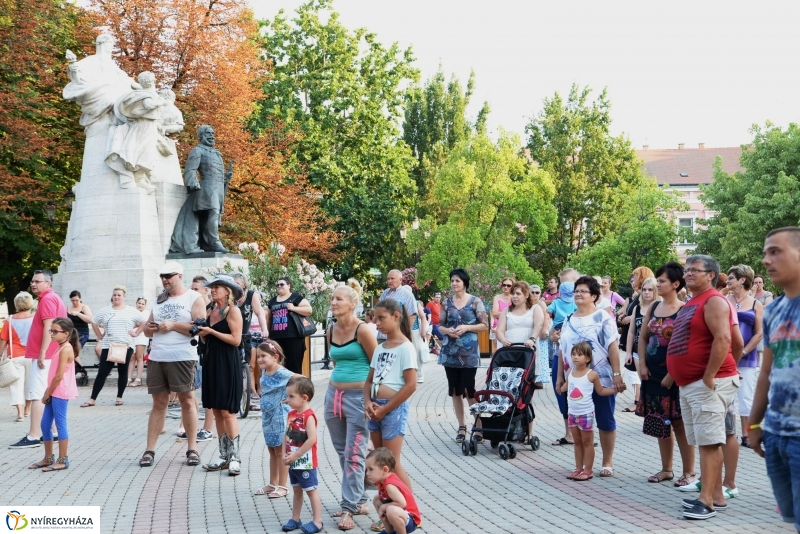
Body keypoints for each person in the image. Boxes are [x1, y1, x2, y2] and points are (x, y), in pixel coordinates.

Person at [666, 255, 740, 520]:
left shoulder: (713, 301)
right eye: (686, 270)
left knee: (710, 441)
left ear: (710, 275)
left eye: (694, 270)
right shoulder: (691, 303)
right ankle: (716, 495)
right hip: (691, 383)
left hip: (707, 383)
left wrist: (711, 375)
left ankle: (706, 502)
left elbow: (726, 340)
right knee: (705, 441)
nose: (687, 274)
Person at [749, 227, 800, 533]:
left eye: (775, 251)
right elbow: (766, 372)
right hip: (777, 435)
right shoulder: (774, 310)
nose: (766, 260)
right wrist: (754, 425)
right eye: (766, 252)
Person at [556, 276, 625, 477]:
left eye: (583, 291)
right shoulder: (569, 319)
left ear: (594, 295)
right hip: (575, 379)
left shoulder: (603, 318)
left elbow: (613, 346)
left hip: (601, 376)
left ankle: (607, 462)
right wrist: (560, 375)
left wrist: (617, 374)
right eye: (576, 290)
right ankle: (583, 466)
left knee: (605, 419)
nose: (578, 294)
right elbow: (562, 349)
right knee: (579, 421)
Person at [139, 261, 206, 468]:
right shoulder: (159, 300)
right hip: (158, 356)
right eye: (162, 276)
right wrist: (149, 328)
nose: (165, 280)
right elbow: (147, 331)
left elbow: (200, 327)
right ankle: (149, 450)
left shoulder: (194, 297)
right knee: (159, 404)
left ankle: (192, 448)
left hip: (183, 356)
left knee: (187, 401)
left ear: (180, 276)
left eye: (169, 276)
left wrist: (174, 325)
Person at [325, 280, 378, 530]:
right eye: (332, 298)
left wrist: (370, 399)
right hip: (333, 397)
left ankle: (349, 507)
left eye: (339, 299)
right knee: (342, 452)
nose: (333, 302)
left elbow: (377, 366)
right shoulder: (330, 329)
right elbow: (336, 363)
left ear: (353, 304)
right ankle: (361, 498)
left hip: (358, 399)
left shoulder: (364, 330)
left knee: (353, 453)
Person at [637, 263, 695, 487]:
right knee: (660, 421)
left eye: (661, 281)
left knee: (679, 423)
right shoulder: (652, 307)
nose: (657, 284)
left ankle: (689, 472)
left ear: (676, 284)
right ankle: (666, 469)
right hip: (652, 374)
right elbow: (643, 338)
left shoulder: (685, 309)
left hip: (675, 376)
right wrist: (642, 363)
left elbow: (686, 346)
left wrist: (673, 373)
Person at [9, 269, 67, 450]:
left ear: (48, 283)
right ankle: (55, 432)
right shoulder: (52, 298)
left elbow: (49, 327)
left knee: (37, 394)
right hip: (50, 353)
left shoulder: (48, 299)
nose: (33, 284)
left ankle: (33, 435)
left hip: (45, 355)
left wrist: (42, 352)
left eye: (38, 281)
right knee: (47, 394)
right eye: (33, 281)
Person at [364, 299, 417, 487]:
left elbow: (411, 385)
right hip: (376, 408)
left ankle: (409, 508)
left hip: (392, 409)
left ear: (396, 317)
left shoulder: (406, 347)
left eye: (381, 318)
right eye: (375, 318)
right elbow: (369, 380)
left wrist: (386, 408)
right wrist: (368, 402)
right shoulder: (380, 348)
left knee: (391, 463)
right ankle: (387, 504)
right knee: (379, 463)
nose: (376, 323)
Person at [197, 275, 244, 476]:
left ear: (228, 291)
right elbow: (207, 339)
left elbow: (236, 340)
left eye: (217, 287)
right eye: (212, 287)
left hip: (227, 362)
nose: (213, 290)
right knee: (216, 410)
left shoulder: (232, 311)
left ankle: (235, 457)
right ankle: (223, 455)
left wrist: (211, 332)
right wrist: (203, 334)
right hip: (211, 362)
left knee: (227, 411)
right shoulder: (210, 310)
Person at [439, 269, 489, 445]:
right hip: (450, 352)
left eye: (457, 281)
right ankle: (461, 426)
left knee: (469, 389)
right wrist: (448, 331)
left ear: (465, 283)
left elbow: (484, 325)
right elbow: (440, 326)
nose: (454, 283)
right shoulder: (446, 303)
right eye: (452, 280)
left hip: (469, 353)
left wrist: (467, 328)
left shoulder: (475, 301)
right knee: (454, 390)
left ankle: (479, 425)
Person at [561, 341, 623, 481]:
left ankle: (588, 470)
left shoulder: (592, 374)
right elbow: (566, 387)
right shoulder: (570, 372)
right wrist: (560, 387)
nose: (575, 357)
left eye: (579, 355)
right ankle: (578, 468)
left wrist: (615, 389)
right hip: (572, 413)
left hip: (585, 414)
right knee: (577, 442)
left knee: (587, 442)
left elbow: (600, 391)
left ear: (588, 358)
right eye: (573, 354)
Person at [168, 124, 231, 254]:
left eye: (213, 134)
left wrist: (226, 177)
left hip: (218, 188)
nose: (212, 136)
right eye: (208, 133)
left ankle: (208, 243)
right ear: (201, 135)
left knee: (213, 215)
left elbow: (216, 172)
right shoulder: (198, 150)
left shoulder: (216, 153)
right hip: (206, 188)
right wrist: (192, 182)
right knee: (213, 213)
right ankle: (215, 242)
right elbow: (190, 169)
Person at [27, 318, 79, 472]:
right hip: (53, 390)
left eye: (55, 331)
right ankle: (48, 457)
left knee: (60, 423)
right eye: (51, 330)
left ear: (66, 334)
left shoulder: (67, 349)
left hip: (60, 391)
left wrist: (48, 392)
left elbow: (59, 376)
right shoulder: (59, 346)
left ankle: (63, 459)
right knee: (44, 424)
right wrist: (47, 391)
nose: (52, 334)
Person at [80, 286, 143, 407]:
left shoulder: (131, 311)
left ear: (124, 297)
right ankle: (92, 399)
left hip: (126, 345)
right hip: (108, 345)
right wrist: (99, 335)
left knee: (123, 371)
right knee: (102, 372)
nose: (116, 297)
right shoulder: (105, 310)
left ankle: (119, 397)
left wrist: (136, 333)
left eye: (119, 295)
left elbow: (145, 321)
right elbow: (93, 322)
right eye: (114, 295)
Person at [496, 281, 544, 436]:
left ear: (526, 295)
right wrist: (503, 340)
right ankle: (507, 428)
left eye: (518, 293)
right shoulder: (506, 311)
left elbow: (538, 325)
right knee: (508, 392)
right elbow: (500, 330)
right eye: (513, 293)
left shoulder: (535, 309)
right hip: (509, 354)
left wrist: (532, 338)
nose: (514, 296)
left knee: (525, 394)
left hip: (527, 353)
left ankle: (529, 432)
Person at [726, 265, 763, 448]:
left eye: (731, 277)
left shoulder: (756, 304)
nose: (728, 280)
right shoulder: (725, 300)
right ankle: (728, 431)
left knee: (745, 396)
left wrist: (744, 351)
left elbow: (759, 333)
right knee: (727, 396)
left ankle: (746, 435)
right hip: (725, 356)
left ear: (742, 280)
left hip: (747, 357)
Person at [254, 341, 298, 499]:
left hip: (280, 415)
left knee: (280, 451)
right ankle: (272, 483)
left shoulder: (281, 372)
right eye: (258, 356)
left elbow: (302, 379)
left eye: (263, 356)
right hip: (268, 415)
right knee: (272, 450)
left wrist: (292, 397)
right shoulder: (265, 371)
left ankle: (283, 486)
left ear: (275, 357)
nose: (259, 359)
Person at [281, 377, 323, 534]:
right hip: (293, 461)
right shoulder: (291, 414)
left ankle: (317, 521)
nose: (288, 399)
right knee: (297, 490)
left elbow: (312, 439)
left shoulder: (309, 416)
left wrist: (297, 454)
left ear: (304, 397)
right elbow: (287, 435)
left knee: (311, 490)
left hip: (306, 462)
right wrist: (285, 455)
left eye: (291, 396)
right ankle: (295, 518)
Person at [231, 273, 268, 411]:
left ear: (244, 285)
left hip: (245, 336)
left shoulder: (251, 295)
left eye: (238, 283)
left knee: (247, 367)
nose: (235, 286)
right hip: (230, 335)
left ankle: (246, 400)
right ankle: (233, 399)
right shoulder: (229, 296)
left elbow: (259, 313)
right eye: (233, 283)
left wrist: (264, 330)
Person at [365, 447, 422, 534]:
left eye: (371, 469)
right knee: (377, 499)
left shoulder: (390, 485)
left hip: (410, 520)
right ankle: (389, 531)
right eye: (367, 469)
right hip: (401, 515)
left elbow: (402, 503)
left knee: (391, 510)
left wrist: (384, 507)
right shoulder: (382, 480)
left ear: (385, 470)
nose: (367, 473)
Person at [623, 277, 660, 412]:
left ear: (656, 291)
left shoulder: (660, 307)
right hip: (638, 352)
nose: (646, 293)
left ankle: (657, 410)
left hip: (656, 352)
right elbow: (631, 332)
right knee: (644, 382)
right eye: (644, 290)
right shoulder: (637, 308)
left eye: (650, 290)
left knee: (656, 382)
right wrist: (628, 352)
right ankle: (648, 411)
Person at [547, 281, 577, 446]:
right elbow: (552, 336)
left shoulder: (557, 303)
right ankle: (569, 434)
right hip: (561, 355)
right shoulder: (571, 305)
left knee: (576, 395)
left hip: (576, 359)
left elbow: (547, 310)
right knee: (562, 393)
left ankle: (579, 433)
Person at [266, 277, 314, 375]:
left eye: (282, 284)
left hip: (294, 338)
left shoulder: (295, 297)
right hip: (276, 339)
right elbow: (267, 315)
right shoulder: (273, 300)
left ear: (288, 286)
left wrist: (293, 308)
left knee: (294, 367)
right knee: (279, 367)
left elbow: (309, 310)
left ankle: (296, 389)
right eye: (277, 285)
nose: (279, 286)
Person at [0, 292, 35, 421]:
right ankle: (28, 409)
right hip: (32, 355)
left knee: (16, 385)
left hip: (15, 356)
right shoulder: (35, 319)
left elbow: (3, 340)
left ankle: (20, 413)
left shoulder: (10, 320)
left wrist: (0, 354)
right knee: (30, 384)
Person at [377, 270, 417, 343]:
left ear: (400, 280)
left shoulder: (407, 294)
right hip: (382, 336)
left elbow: (412, 316)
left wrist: (404, 335)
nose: (389, 281)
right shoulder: (385, 293)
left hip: (397, 337)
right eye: (388, 279)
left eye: (392, 278)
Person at [127, 297, 149, 387]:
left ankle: (138, 379)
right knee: (132, 357)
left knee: (140, 357)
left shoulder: (147, 313)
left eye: (143, 304)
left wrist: (137, 324)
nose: (140, 305)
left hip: (142, 336)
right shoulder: (132, 312)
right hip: (132, 336)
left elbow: (144, 324)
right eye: (139, 303)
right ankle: (128, 378)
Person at [752, 274, 773, 363]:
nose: (758, 284)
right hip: (752, 322)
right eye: (756, 282)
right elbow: (746, 305)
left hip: (764, 322)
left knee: (763, 347)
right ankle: (756, 366)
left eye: (760, 282)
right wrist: (752, 294)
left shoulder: (767, 294)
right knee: (754, 346)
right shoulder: (750, 294)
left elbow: (768, 306)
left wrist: (755, 306)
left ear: (763, 284)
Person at [490, 278, 515, 352]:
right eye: (504, 285)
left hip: (511, 326)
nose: (506, 287)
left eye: (508, 285)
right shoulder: (497, 297)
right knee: (498, 349)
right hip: (498, 326)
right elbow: (494, 313)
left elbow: (517, 313)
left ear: (512, 286)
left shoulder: (515, 297)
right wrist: (510, 314)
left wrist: (501, 313)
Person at [410, 299, 429, 383]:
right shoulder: (401, 302)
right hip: (404, 331)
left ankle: (420, 375)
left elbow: (423, 317)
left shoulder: (416, 303)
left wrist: (423, 330)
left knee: (417, 353)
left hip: (415, 331)